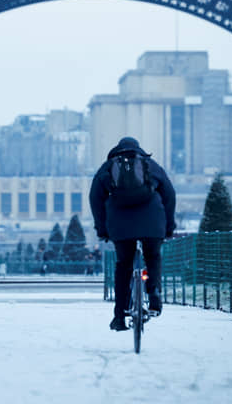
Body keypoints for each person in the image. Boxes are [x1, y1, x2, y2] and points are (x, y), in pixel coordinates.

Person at [89, 137, 176, 331]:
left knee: (123, 266)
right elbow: (170, 194)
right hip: (152, 221)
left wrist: (102, 229)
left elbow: (95, 199)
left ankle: (119, 316)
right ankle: (153, 291)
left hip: (120, 225)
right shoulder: (151, 165)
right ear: (139, 149)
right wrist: (168, 226)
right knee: (153, 256)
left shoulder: (107, 167)